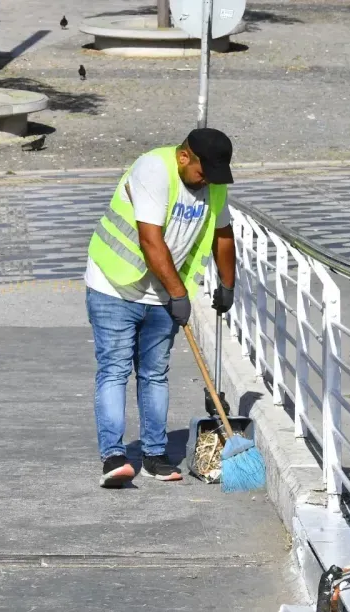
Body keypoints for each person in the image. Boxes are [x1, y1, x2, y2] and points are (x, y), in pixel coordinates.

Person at [84, 128, 237, 489]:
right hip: (114, 284)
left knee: (154, 373)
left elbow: (223, 234)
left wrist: (228, 284)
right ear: (185, 156)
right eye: (203, 172)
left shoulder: (213, 182)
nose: (207, 181)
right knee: (115, 369)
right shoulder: (153, 169)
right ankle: (114, 457)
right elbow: (150, 240)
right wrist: (178, 294)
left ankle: (154, 455)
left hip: (162, 293)